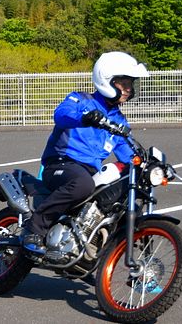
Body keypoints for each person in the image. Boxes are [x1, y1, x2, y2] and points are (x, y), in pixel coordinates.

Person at [22, 51, 149, 254]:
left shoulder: (120, 121)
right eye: (124, 83)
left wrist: (145, 163)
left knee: (121, 193)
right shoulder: (80, 100)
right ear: (107, 81)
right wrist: (86, 117)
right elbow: (61, 115)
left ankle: (95, 253)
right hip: (61, 164)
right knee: (83, 184)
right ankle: (34, 228)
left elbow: (127, 151)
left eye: (130, 84)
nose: (128, 89)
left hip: (89, 172)